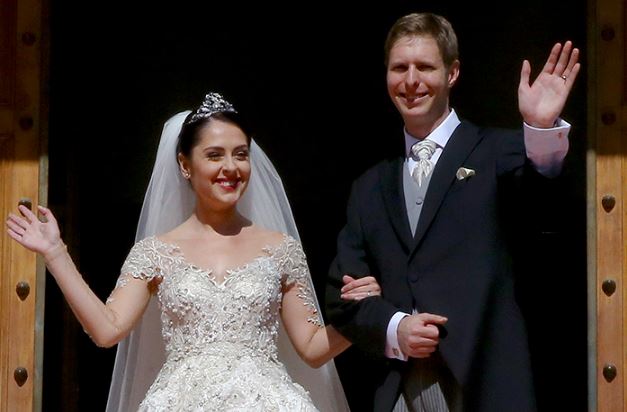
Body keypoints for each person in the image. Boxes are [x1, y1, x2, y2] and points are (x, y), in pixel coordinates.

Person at [6, 92, 382, 411]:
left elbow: (313, 348)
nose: (231, 167)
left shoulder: (281, 249)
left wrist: (361, 316)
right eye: (215, 155)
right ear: (185, 165)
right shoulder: (156, 252)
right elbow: (107, 329)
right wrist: (55, 253)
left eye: (240, 154)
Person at [326, 12, 580, 412]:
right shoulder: (370, 187)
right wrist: (395, 328)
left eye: (425, 67)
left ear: (453, 73)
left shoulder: (499, 152)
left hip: (486, 384)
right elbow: (341, 299)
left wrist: (541, 130)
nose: (411, 80)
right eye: (399, 68)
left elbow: (549, 215)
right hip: (401, 390)